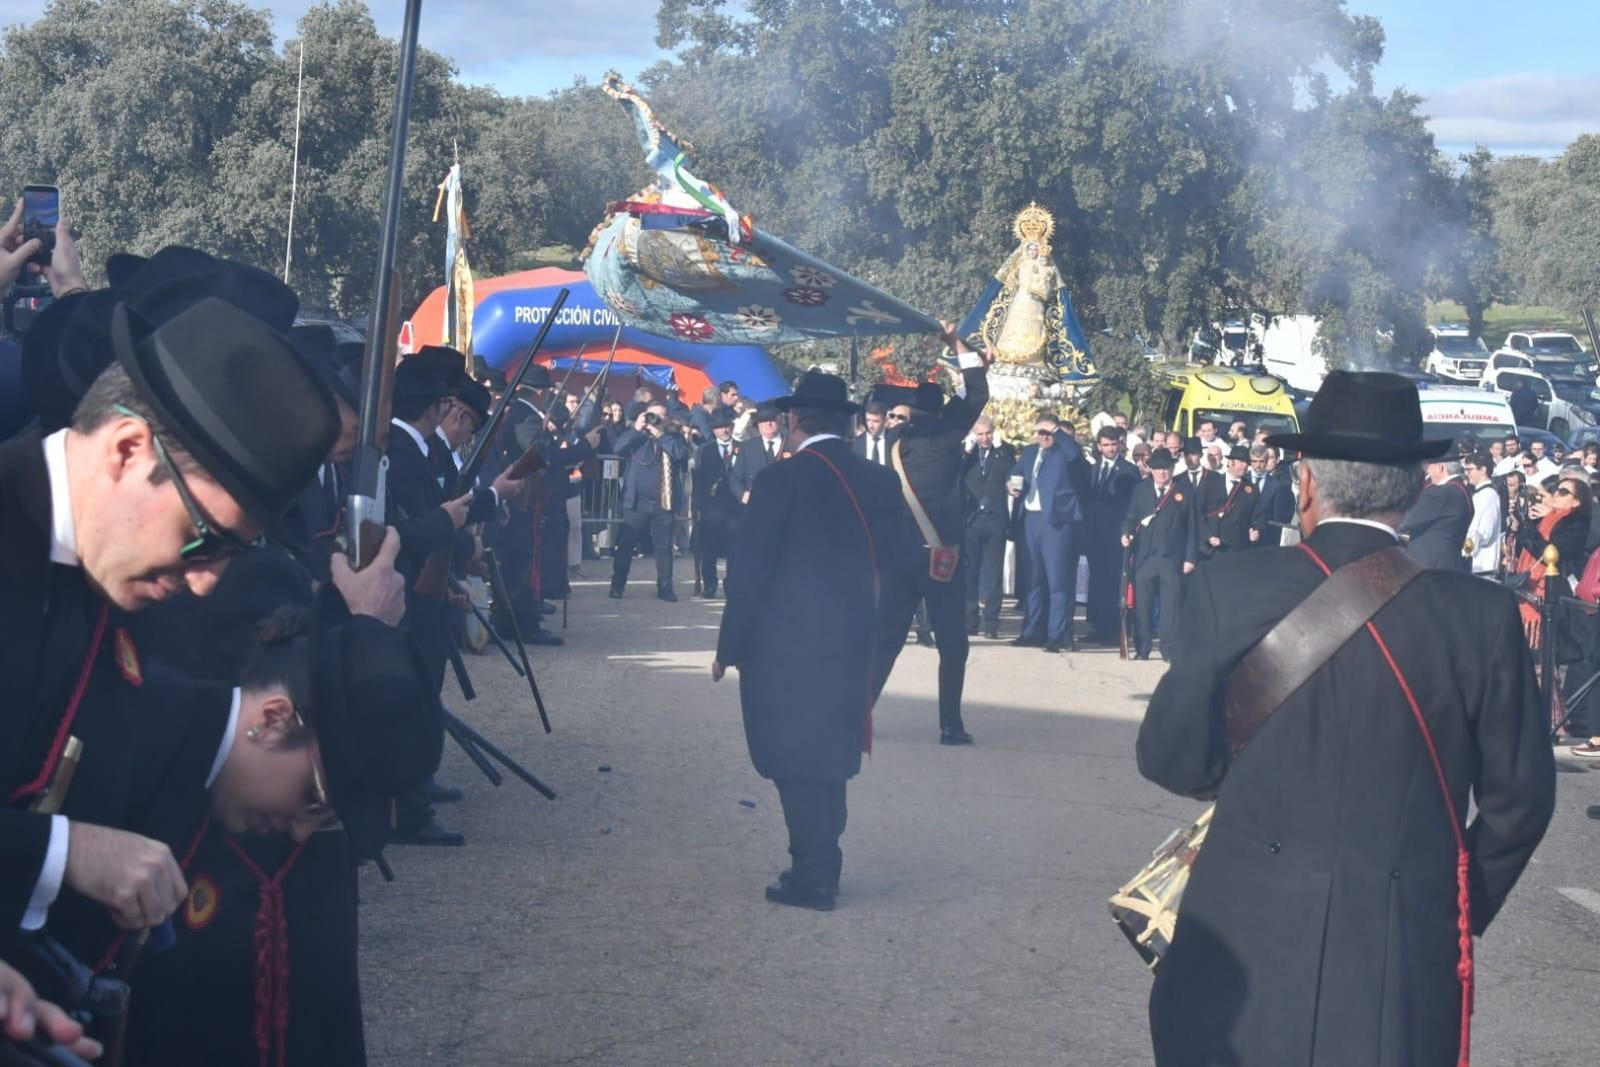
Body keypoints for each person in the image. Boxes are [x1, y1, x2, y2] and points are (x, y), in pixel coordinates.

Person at [1138, 370, 1555, 1067]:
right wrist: (1450, 902)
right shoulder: (1480, 615)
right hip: (1403, 934)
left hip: (1241, 923)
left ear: (1307, 482)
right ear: (1418, 488)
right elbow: (1523, 797)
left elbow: (1172, 759)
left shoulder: (1228, 586)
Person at [1, 295, 338, 957]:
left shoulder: (100, 573)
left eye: (231, 554)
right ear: (128, 450)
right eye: (202, 538)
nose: (207, 579)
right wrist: (61, 851)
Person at [710, 371, 902, 911]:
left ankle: (811, 871)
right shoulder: (879, 481)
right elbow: (899, 567)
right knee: (832, 753)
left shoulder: (778, 481)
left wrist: (730, 646)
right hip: (850, 642)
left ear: (797, 421)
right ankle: (824, 861)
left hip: (786, 644)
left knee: (792, 756)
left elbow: (751, 571)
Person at [872, 329, 991, 745]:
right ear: (940, 415)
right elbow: (976, 397)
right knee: (952, 644)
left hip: (900, 556)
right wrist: (959, 344)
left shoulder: (895, 442)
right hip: (941, 557)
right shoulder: (944, 440)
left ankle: (856, 715)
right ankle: (949, 725)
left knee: (886, 641)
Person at [1009, 411, 1087, 654]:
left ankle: (1059, 634)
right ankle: (1032, 631)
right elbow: (1016, 472)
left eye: (1047, 433)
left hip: (1056, 521)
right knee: (1033, 579)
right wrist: (1011, 485)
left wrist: (1056, 431)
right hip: (1031, 518)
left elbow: (1075, 454)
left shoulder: (1065, 453)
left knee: (1057, 581)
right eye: (1039, 432)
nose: (1043, 437)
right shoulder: (1031, 452)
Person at [608, 401, 690, 601]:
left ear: (668, 419)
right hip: (637, 501)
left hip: (664, 500)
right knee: (626, 545)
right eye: (652, 415)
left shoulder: (673, 437)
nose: (657, 419)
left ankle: (665, 587)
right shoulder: (636, 438)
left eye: (661, 415)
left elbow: (681, 455)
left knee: (663, 547)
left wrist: (660, 434)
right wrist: (637, 428)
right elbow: (618, 449)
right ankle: (617, 585)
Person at [1121, 449, 1197, 660]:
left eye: (1166, 468)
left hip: (1172, 559)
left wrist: (1190, 558)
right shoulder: (1140, 490)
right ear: (1151, 469)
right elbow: (1130, 516)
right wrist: (1125, 534)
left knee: (1171, 608)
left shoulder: (1185, 492)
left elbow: (1193, 527)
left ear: (1173, 469)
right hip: (1145, 558)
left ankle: (1168, 649)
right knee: (1142, 606)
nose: (1162, 473)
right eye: (1158, 468)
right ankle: (1142, 648)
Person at [1083, 426, 1140, 643]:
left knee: (1115, 580)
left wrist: (1128, 531)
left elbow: (1131, 506)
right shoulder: (1094, 468)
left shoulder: (1128, 470)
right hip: (1096, 534)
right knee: (1097, 580)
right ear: (1099, 446)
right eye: (1106, 445)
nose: (1110, 448)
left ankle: (1115, 627)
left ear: (1120, 444)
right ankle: (1098, 625)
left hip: (1116, 535)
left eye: (1113, 444)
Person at [961, 416, 1014, 639]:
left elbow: (1011, 470)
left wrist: (1000, 448)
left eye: (988, 433)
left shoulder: (1003, 453)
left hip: (994, 519)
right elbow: (958, 470)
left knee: (992, 574)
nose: (985, 438)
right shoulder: (968, 453)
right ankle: (969, 620)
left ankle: (991, 623)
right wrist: (968, 450)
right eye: (980, 434)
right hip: (971, 520)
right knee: (969, 572)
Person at [692, 412, 739, 597]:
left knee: (734, 552)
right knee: (709, 551)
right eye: (720, 426)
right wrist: (697, 505)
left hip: (735, 508)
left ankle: (731, 585)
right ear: (713, 429)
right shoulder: (705, 449)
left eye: (727, 425)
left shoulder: (742, 448)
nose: (724, 430)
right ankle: (709, 585)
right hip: (711, 508)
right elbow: (699, 479)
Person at [1398, 456, 1472, 571]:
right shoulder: (1461, 489)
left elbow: (1405, 521)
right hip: (1449, 562)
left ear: (1440, 467)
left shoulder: (1440, 493)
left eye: (1429, 467)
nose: (1427, 471)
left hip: (1429, 564)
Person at [1200, 445, 1261, 557]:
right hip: (1212, 548)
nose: (1245, 466)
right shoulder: (1210, 483)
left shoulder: (1251, 489)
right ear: (1231, 462)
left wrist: (1255, 530)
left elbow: (1257, 516)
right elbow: (1199, 513)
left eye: (1247, 462)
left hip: (1237, 549)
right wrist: (1208, 536)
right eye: (1241, 462)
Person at [1463, 451, 1503, 577]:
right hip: (1472, 563)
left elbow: (1485, 533)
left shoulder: (1489, 496)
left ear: (1483, 470)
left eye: (1469, 470)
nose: (1466, 474)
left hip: (1481, 564)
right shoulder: (1478, 494)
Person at [852, 401, 890, 466]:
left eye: (876, 421)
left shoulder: (892, 440)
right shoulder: (856, 442)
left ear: (885, 421)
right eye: (868, 420)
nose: (870, 426)